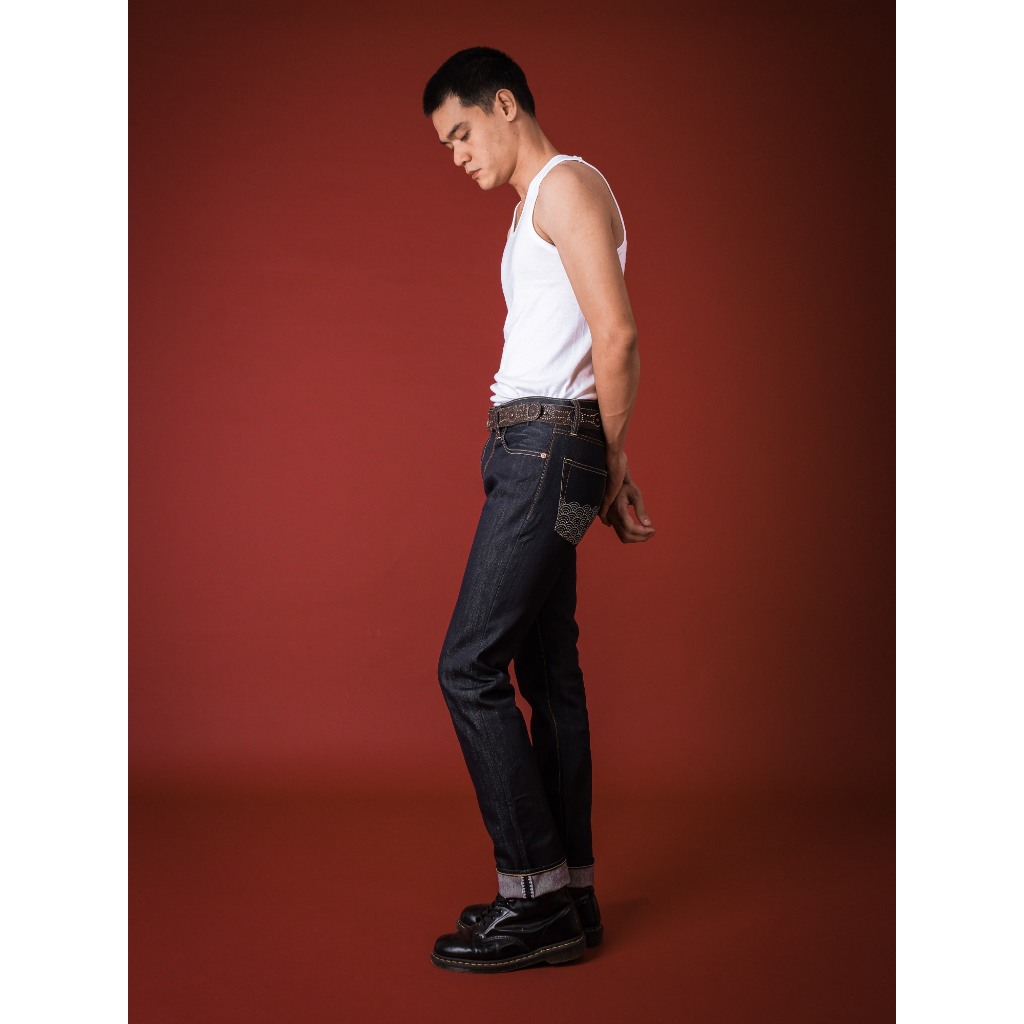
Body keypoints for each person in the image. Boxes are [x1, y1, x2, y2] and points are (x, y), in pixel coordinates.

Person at [423, 46, 654, 974]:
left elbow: (617, 333)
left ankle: (534, 894)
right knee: (547, 671)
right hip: (541, 451)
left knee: (468, 666)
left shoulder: (565, 186)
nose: (456, 156)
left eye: (462, 133)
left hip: (547, 452)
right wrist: (600, 464)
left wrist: (609, 465)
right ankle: (570, 895)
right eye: (445, 144)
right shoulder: (533, 210)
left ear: (506, 105)